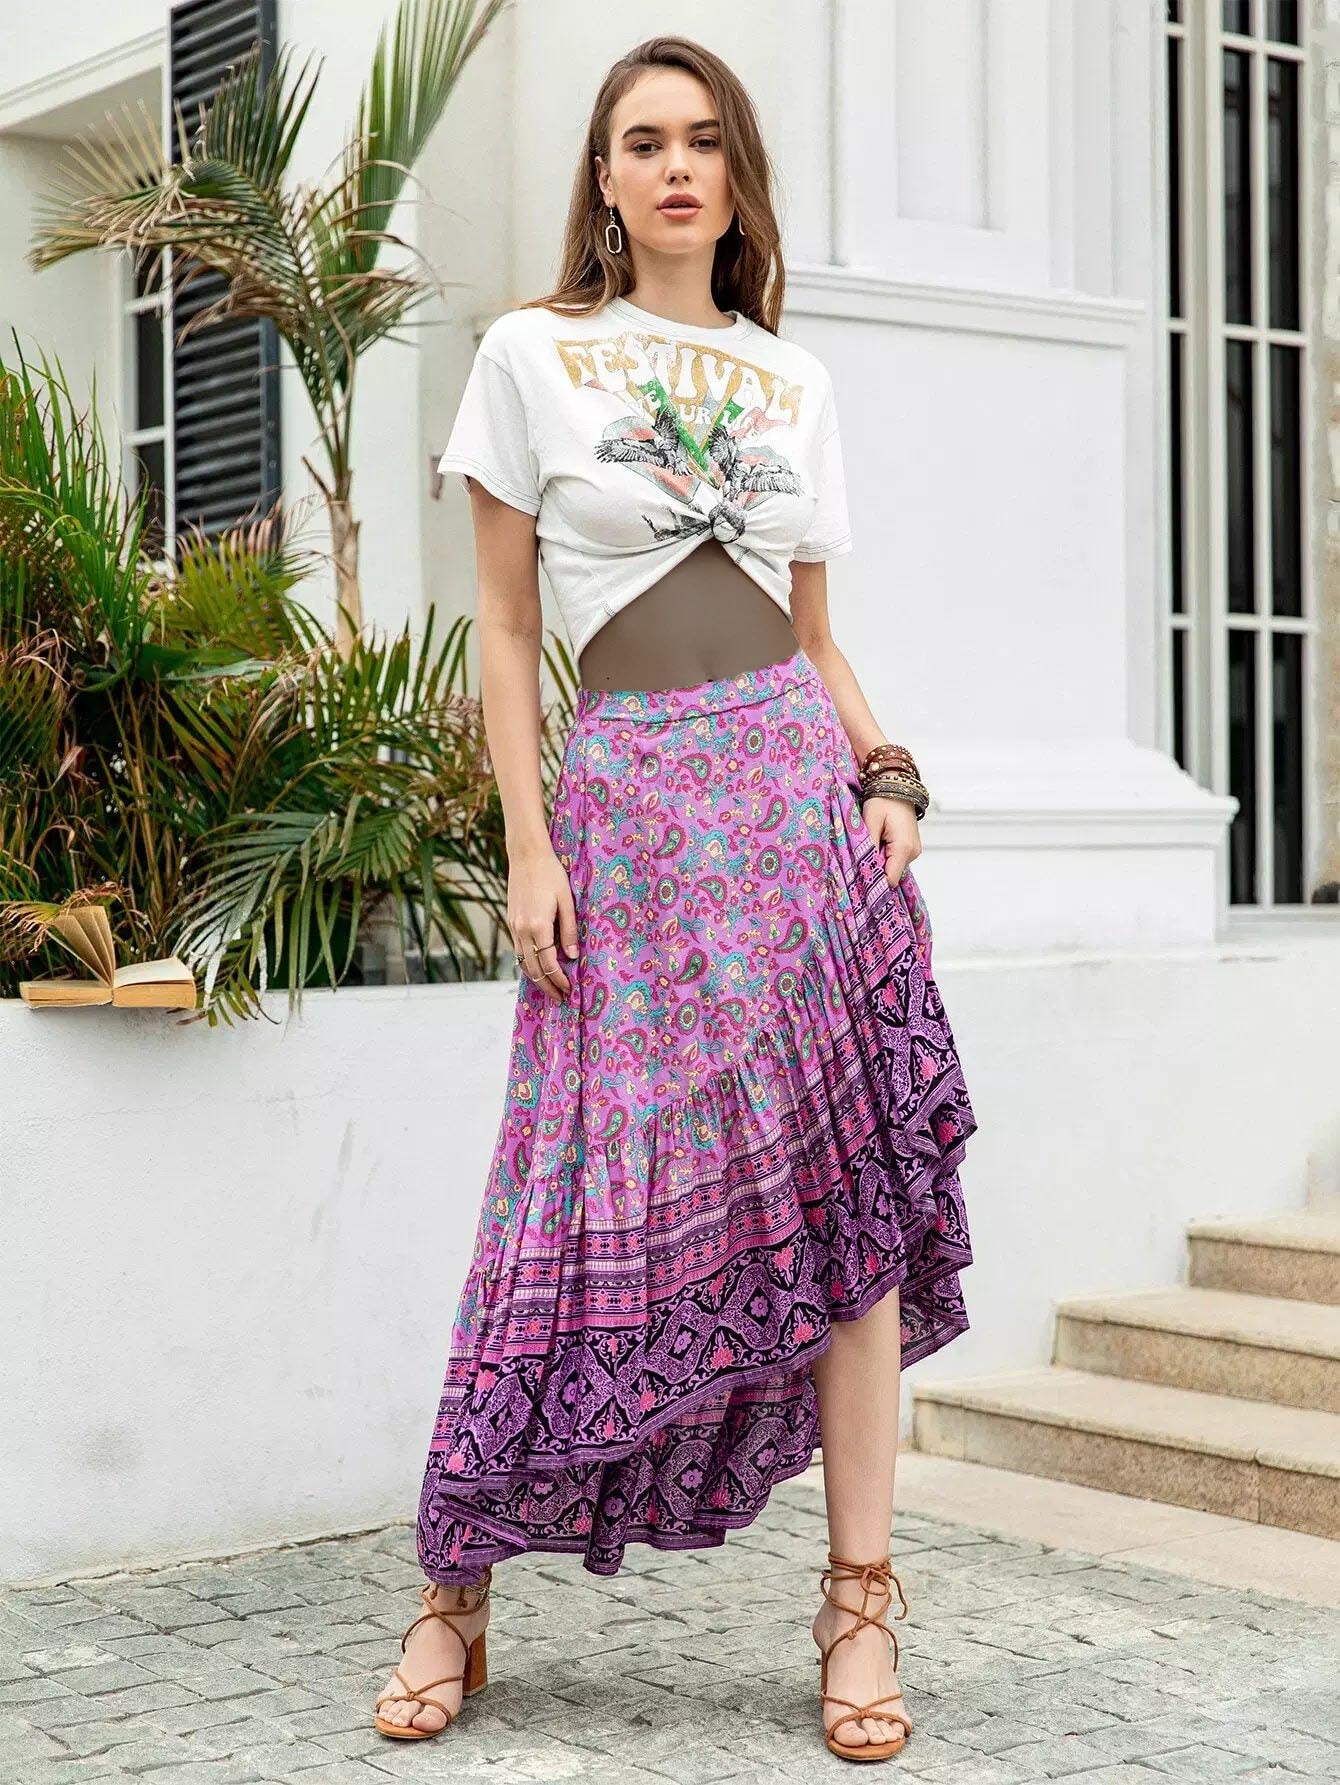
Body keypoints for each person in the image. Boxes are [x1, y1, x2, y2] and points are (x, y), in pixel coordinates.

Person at [374, 34, 978, 1764]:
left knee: (852, 1206)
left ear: (735, 174)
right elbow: (506, 628)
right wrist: (529, 845)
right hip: (629, 812)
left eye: (703, 139)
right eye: (642, 141)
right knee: (560, 1198)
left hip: (794, 813)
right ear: (605, 178)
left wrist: (890, 772)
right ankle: (455, 1588)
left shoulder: (793, 379)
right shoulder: (531, 355)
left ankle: (859, 1604)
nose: (675, 167)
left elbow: (814, 637)